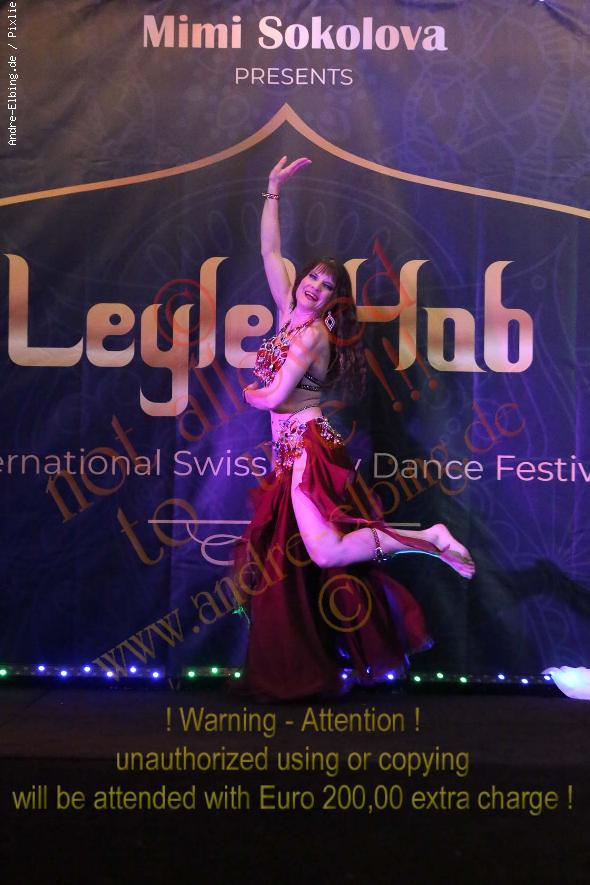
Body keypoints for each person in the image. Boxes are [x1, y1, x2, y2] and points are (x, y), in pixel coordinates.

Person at [233, 156, 474, 701]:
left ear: (332, 301)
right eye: (312, 277)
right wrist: (272, 189)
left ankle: (430, 539)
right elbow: (269, 251)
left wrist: (249, 393)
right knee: (305, 565)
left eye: (326, 286)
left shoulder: (312, 335)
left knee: (325, 554)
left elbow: (275, 396)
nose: (314, 287)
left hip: (307, 450)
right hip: (289, 454)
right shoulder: (286, 313)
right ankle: (310, 664)